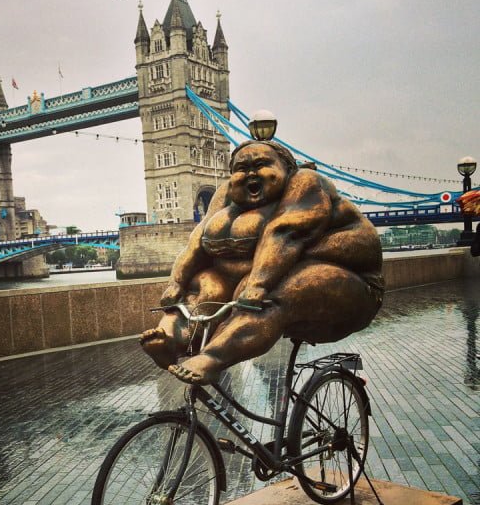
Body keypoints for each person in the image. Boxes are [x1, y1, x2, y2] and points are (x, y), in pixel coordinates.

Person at [140, 140, 384, 384]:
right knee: (206, 283)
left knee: (277, 289)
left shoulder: (305, 182)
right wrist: (176, 283)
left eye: (261, 164)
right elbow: (196, 241)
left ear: (287, 168)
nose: (251, 174)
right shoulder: (225, 195)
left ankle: (213, 358)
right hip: (263, 278)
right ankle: (171, 339)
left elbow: (284, 232)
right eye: (241, 168)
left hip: (355, 290)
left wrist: (258, 284)